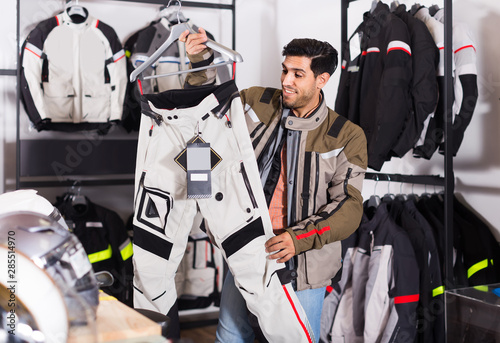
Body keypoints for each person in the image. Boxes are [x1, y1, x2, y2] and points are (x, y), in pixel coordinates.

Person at [180, 28, 368, 342]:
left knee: (292, 338)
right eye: (284, 70)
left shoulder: (346, 135)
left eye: (298, 74)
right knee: (230, 334)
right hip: (247, 246)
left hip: (305, 261)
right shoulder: (255, 101)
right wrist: (200, 62)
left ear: (321, 80)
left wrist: (299, 238)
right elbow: (203, 118)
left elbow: (348, 206)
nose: (286, 80)